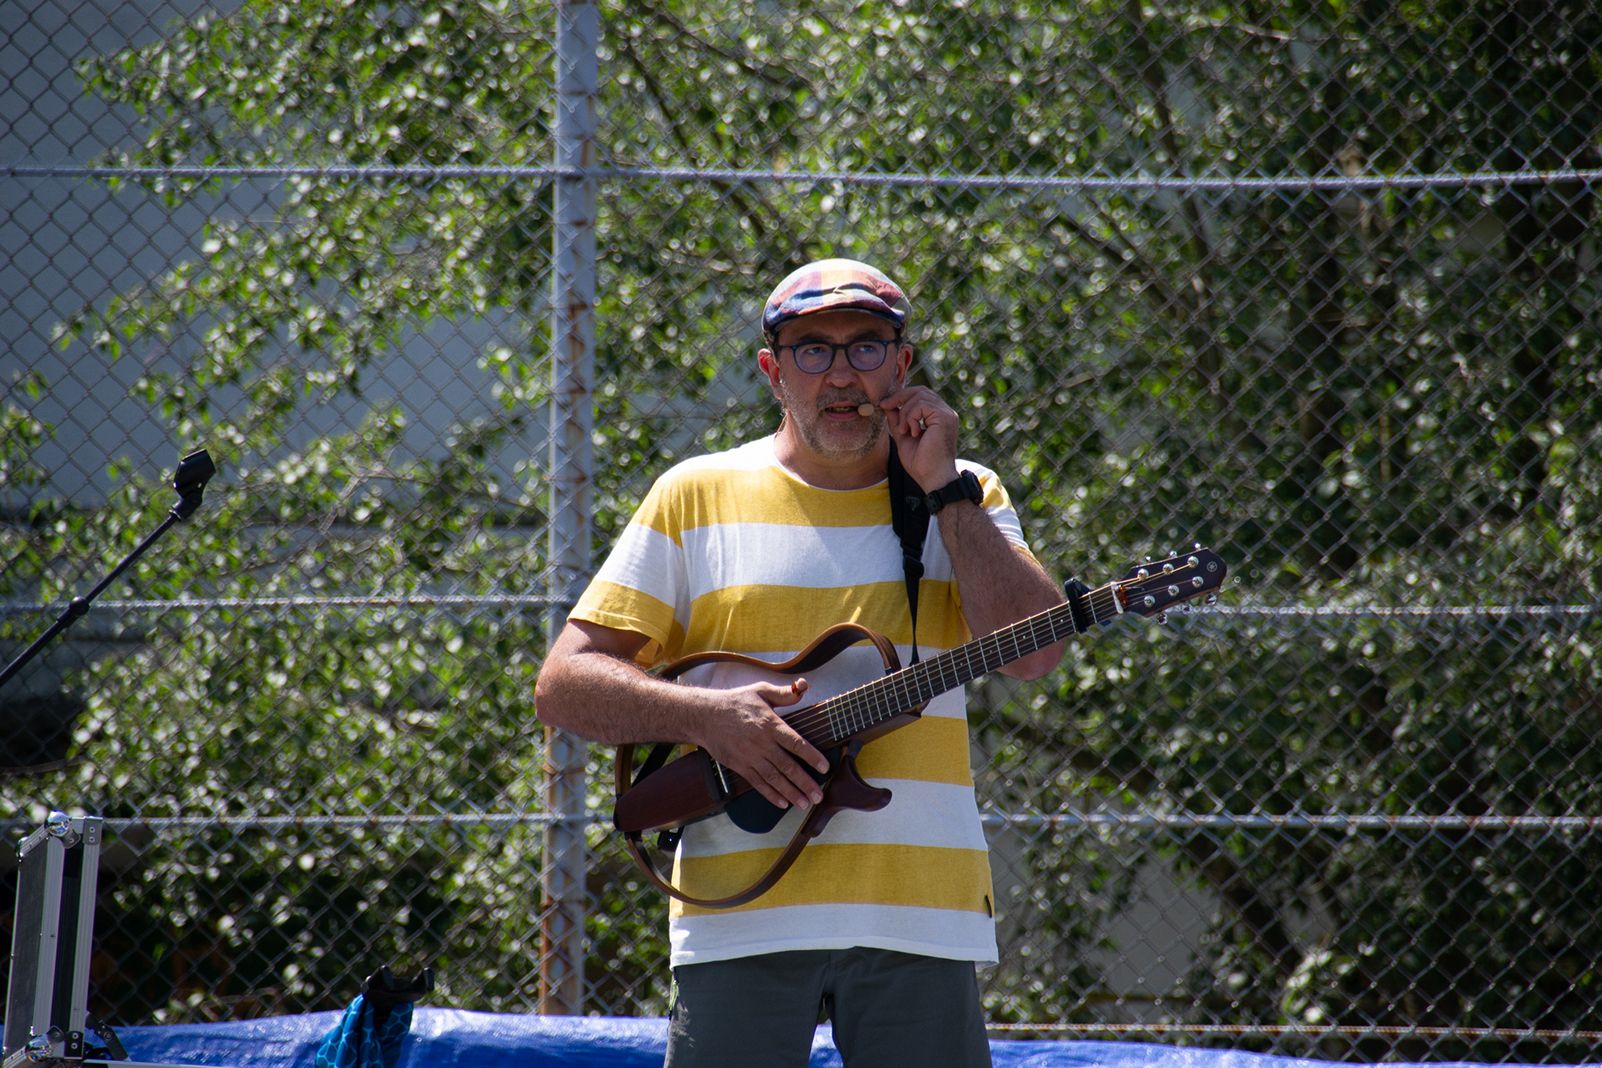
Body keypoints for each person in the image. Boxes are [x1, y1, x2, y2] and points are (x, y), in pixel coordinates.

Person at [534, 258, 1066, 1067]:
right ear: (772, 370)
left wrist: (944, 490)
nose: (842, 373)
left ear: (903, 364)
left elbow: (1036, 654)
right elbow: (564, 684)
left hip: (918, 910)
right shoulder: (694, 493)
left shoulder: (968, 493)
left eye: (866, 346)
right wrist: (707, 718)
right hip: (739, 911)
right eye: (812, 349)